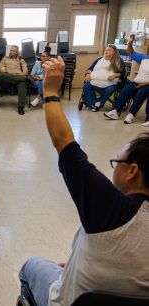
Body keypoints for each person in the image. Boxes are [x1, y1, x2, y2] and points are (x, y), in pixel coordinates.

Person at [18, 56, 149, 306]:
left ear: (132, 171)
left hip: (73, 301)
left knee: (31, 266)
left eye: (117, 161)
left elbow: (64, 142)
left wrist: (50, 92)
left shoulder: (110, 208)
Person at [105, 34, 149, 126]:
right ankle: (115, 111)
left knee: (140, 94)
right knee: (125, 91)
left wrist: (143, 85)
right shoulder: (144, 58)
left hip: (147, 85)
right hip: (136, 82)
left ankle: (132, 115)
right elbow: (130, 53)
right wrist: (130, 42)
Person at [83, 45, 125, 112]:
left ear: (114, 52)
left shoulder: (118, 61)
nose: (106, 51)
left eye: (108, 50)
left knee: (110, 89)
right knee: (86, 86)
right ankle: (96, 102)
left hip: (110, 84)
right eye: (106, 50)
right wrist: (88, 74)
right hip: (93, 83)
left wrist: (114, 75)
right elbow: (89, 69)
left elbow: (122, 72)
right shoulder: (99, 59)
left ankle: (99, 103)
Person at [0, 45, 29, 115]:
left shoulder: (21, 60)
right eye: (10, 50)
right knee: (1, 75)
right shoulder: (4, 59)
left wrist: (16, 77)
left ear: (17, 52)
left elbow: (25, 72)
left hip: (18, 79)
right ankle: (24, 79)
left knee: (22, 84)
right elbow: (2, 71)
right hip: (6, 79)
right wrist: (12, 77)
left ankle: (21, 107)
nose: (11, 52)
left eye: (13, 51)